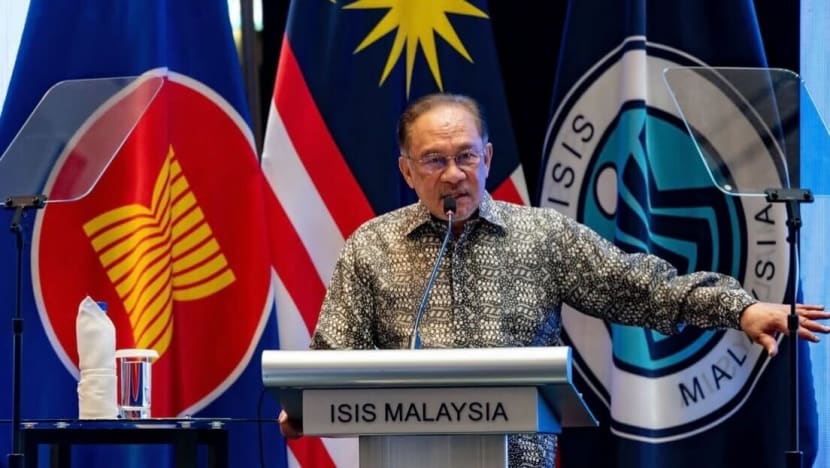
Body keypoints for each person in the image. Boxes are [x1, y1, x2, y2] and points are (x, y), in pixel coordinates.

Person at [279, 93, 829, 467]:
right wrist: (308, 402)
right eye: (433, 160)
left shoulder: (541, 236)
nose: (454, 174)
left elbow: (638, 285)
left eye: (466, 156)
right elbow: (335, 352)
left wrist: (739, 308)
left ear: (487, 158)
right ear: (406, 170)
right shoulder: (372, 245)